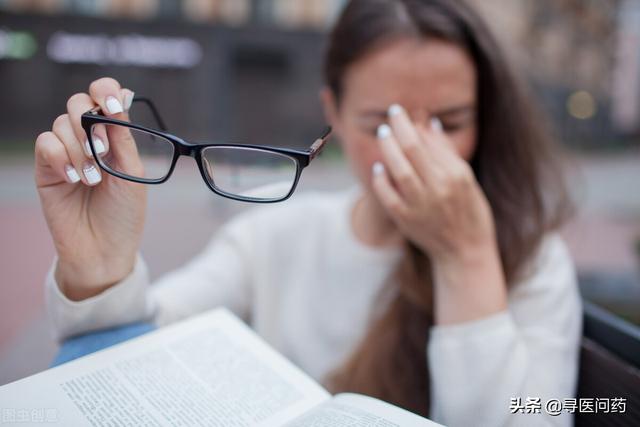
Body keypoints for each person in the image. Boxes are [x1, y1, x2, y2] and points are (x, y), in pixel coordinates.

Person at [34, 0, 581, 425]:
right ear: (333, 117)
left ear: (487, 120)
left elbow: (541, 413)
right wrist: (100, 264)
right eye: (382, 127)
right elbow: (138, 352)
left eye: (450, 122)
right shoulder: (276, 234)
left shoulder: (531, 259)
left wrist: (466, 256)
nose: (415, 151)